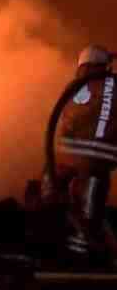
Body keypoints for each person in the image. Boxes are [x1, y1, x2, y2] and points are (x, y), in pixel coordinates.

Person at [46, 45, 117, 262]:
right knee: (88, 209)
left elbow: (65, 121)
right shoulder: (114, 85)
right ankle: (83, 255)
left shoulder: (75, 86)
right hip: (98, 160)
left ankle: (58, 246)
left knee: (58, 197)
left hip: (66, 155)